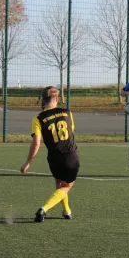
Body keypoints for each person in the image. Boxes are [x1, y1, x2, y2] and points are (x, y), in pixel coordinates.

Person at [20, 86, 80, 223]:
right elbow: (71, 133)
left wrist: (28, 162)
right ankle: (44, 209)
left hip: (54, 158)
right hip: (70, 156)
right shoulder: (67, 113)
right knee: (66, 187)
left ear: (43, 100)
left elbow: (36, 143)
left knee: (60, 184)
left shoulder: (38, 118)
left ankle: (67, 211)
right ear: (57, 98)